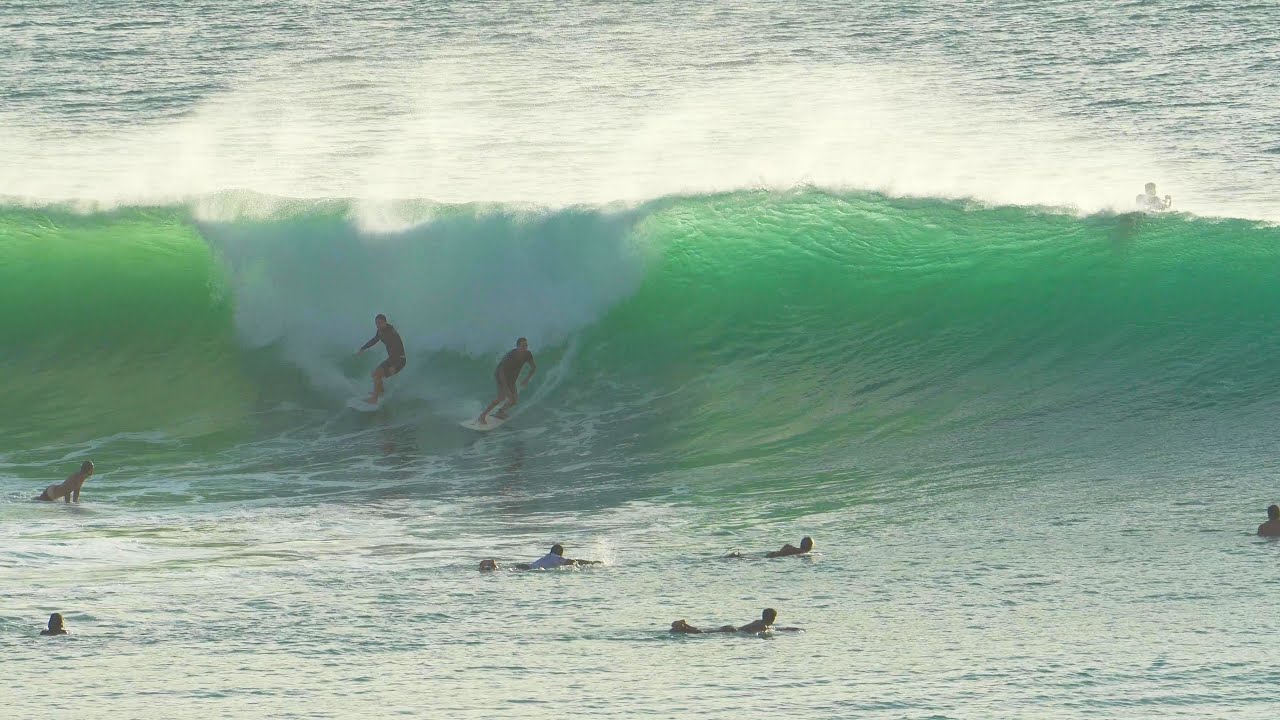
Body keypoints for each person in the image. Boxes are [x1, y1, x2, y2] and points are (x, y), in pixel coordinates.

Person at [477, 337, 536, 425]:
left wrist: (526, 379)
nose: (524, 348)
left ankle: (500, 412)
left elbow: (534, 368)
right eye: (522, 346)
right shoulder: (512, 355)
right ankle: (482, 416)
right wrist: (505, 388)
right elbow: (501, 370)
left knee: (514, 400)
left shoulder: (528, 354)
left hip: (511, 379)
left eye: (526, 346)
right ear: (517, 346)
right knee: (501, 397)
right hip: (500, 375)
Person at [357, 314, 406, 404]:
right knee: (376, 373)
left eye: (380, 323)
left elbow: (398, 349)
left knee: (377, 375)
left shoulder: (392, 333)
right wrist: (363, 348)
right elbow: (375, 340)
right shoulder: (380, 331)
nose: (378, 325)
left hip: (399, 360)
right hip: (392, 359)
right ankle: (380, 392)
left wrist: (395, 366)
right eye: (376, 323)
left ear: (385, 322)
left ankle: (374, 399)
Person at [669, 608, 802, 634]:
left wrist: (791, 629)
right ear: (771, 618)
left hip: (732, 628)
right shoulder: (762, 627)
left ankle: (685, 627)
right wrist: (791, 630)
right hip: (732, 631)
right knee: (704, 633)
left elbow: (776, 629)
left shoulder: (760, 623)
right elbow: (775, 630)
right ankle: (683, 628)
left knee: (707, 632)